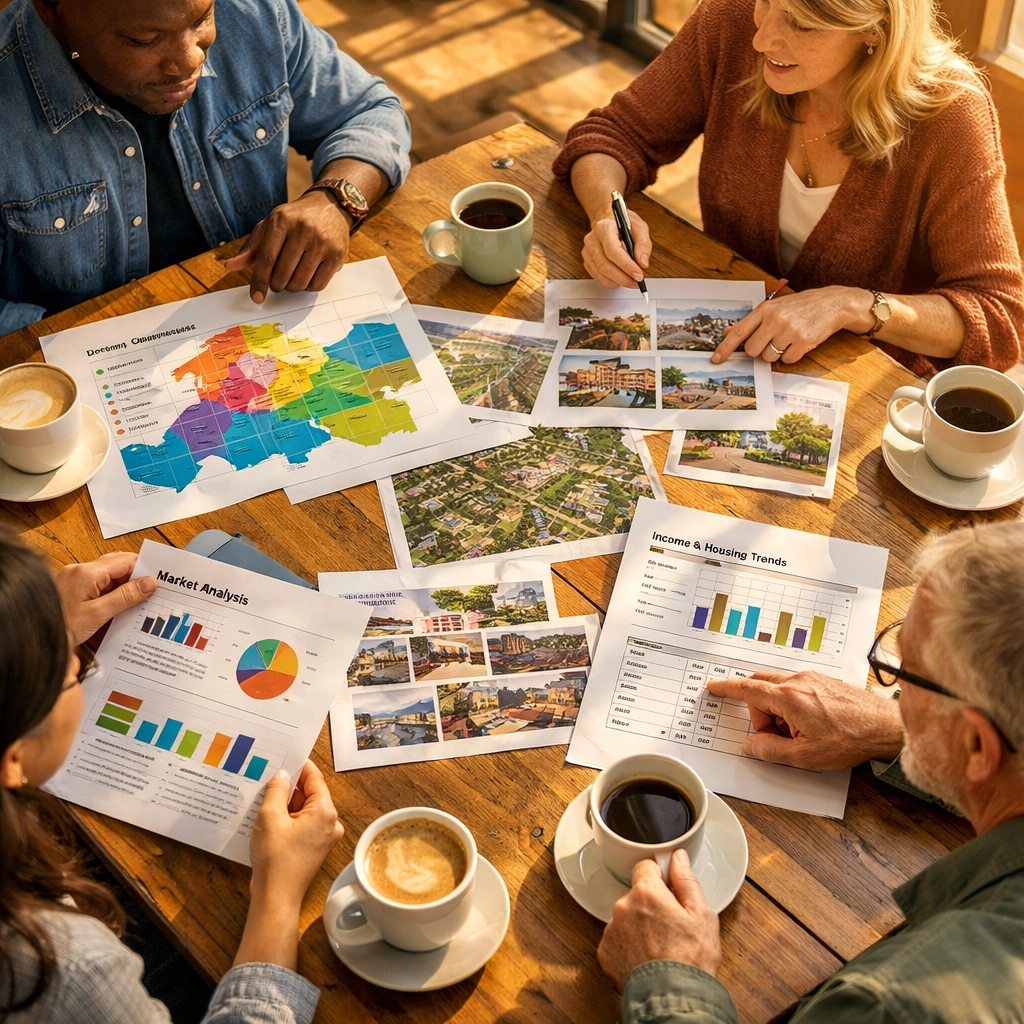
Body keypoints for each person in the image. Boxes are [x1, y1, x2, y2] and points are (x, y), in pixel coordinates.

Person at [597, 521, 1024, 1023]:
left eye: (904, 677)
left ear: (978, 744)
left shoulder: (885, 1004)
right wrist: (900, 728)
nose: (895, 696)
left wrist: (668, 980)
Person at [552, 0, 1024, 378]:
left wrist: (853, 304)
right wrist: (605, 214)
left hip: (861, 386)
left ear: (875, 30)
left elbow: (1000, 317)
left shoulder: (951, 115)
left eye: (801, 23)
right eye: (765, 3)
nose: (760, 38)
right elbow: (614, 136)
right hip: (722, 350)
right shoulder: (731, 21)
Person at [0, 532, 344, 1022]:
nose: (77, 660)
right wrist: (278, 892)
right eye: (67, 674)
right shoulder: (67, 969)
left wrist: (28, 621)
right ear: (12, 760)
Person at [0, 0, 412, 336]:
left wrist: (335, 199)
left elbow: (369, 112)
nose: (188, 60)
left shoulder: (256, 13)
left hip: (260, 325)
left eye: (202, 20)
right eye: (143, 39)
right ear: (52, 11)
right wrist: (80, 343)